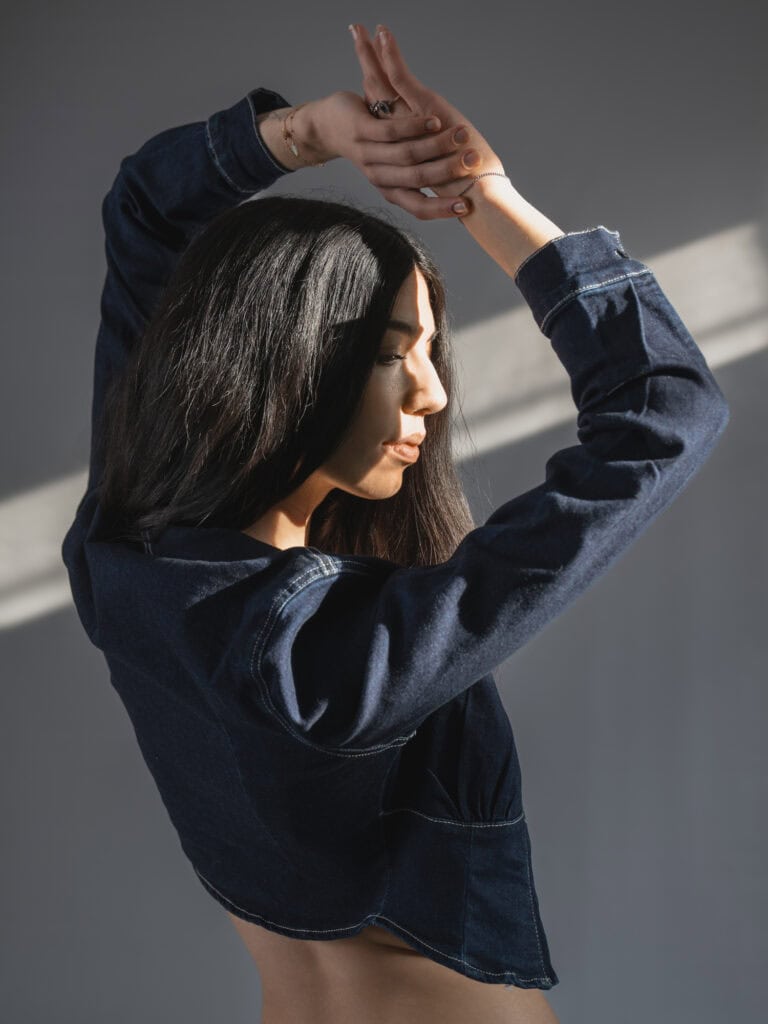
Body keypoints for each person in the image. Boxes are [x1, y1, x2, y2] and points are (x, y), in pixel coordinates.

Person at [60, 20, 729, 1024]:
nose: (432, 394)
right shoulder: (347, 653)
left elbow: (146, 212)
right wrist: (485, 199)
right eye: (389, 352)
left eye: (430, 354)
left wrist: (314, 133)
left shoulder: (120, 560)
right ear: (274, 361)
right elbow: (664, 408)